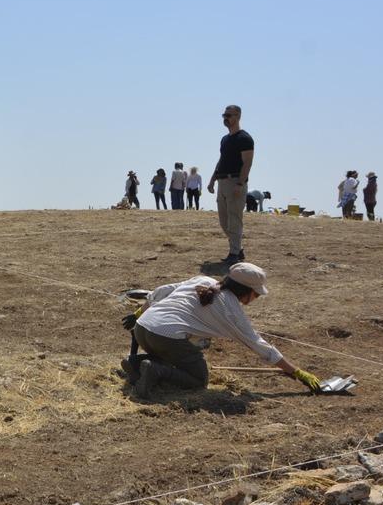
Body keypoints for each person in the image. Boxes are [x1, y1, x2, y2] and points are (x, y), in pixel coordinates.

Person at [120, 263, 322, 400]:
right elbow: (259, 345)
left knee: (176, 356)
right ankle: (155, 370)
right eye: (257, 294)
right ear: (247, 291)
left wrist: (138, 313)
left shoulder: (203, 280)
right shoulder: (231, 311)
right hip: (166, 338)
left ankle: (136, 362)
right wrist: (297, 372)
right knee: (199, 379)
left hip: (143, 327)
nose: (257, 298)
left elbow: (161, 291)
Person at [206, 105, 254, 265]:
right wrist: (213, 179)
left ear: (238, 116)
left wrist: (240, 183)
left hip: (235, 182)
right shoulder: (225, 139)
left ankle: (234, 253)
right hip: (222, 181)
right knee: (224, 221)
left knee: (234, 219)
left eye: (229, 115)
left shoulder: (245, 138)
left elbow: (247, 163)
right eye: (224, 115)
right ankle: (238, 249)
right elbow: (221, 160)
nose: (226, 118)